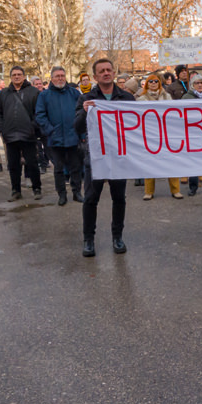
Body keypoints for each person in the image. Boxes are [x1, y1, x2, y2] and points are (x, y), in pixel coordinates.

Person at [76, 58, 136, 257]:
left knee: (119, 198)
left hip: (119, 156)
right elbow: (76, 127)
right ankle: (88, 240)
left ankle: (117, 237)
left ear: (114, 72)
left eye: (109, 70)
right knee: (91, 199)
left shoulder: (126, 98)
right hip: (95, 157)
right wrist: (85, 112)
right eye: (101, 71)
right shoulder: (87, 98)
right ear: (95, 76)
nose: (106, 73)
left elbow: (137, 126)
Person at [36, 66, 85, 206]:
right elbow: (40, 115)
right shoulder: (44, 95)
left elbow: (81, 114)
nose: (60, 78)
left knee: (75, 167)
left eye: (62, 75)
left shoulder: (74, 94)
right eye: (57, 76)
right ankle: (62, 195)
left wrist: (81, 134)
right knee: (58, 169)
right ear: (51, 78)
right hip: (55, 139)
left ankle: (77, 193)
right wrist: (50, 130)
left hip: (73, 137)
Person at [0, 66, 42, 201]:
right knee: (13, 166)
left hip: (28, 135)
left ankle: (37, 188)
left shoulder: (33, 92)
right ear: (11, 77)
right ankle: (16, 190)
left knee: (32, 163)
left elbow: (39, 113)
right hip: (10, 136)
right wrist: (1, 128)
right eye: (14, 74)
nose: (16, 77)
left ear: (24, 76)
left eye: (19, 74)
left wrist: (33, 127)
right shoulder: (4, 93)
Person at [137, 73, 183, 200]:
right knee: (149, 163)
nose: (153, 83)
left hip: (166, 134)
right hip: (150, 135)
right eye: (150, 81)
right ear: (147, 84)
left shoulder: (167, 97)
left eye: (155, 81)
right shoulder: (141, 99)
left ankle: (175, 190)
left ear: (159, 83)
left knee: (171, 162)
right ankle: (149, 191)